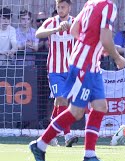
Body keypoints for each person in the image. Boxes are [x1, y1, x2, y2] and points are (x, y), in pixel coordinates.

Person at [29, 0, 125, 161]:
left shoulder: (91, 3)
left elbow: (75, 31)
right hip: (85, 65)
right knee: (76, 111)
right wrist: (117, 58)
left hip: (89, 64)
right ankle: (40, 144)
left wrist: (90, 46)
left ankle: (89, 156)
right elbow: (105, 38)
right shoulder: (109, 6)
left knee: (100, 106)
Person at [35, 0, 78, 147]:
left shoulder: (75, 21)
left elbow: (84, 35)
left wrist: (73, 29)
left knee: (61, 102)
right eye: (58, 7)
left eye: (63, 7)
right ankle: (67, 135)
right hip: (54, 70)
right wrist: (55, 30)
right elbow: (38, 33)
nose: (60, 9)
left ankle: (49, 133)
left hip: (71, 69)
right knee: (61, 99)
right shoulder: (51, 22)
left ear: (69, 7)